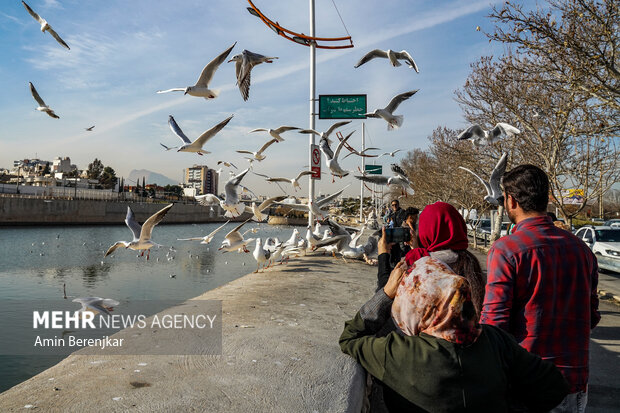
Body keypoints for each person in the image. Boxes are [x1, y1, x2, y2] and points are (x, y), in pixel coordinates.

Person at [340, 244, 569, 411]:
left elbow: (350, 337)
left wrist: (387, 293)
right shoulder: (495, 341)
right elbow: (554, 386)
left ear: (417, 303)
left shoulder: (398, 352)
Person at [481, 164, 600, 412]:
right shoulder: (582, 250)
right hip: (574, 382)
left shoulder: (506, 250)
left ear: (510, 200)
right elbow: (592, 316)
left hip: (528, 383)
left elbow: (494, 326)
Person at [378, 202, 485, 316]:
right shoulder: (471, 264)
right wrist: (417, 248)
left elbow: (385, 296)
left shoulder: (414, 265)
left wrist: (383, 255)